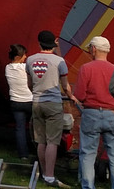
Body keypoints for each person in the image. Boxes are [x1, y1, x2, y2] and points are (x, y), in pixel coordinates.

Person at [27, 30, 77, 188]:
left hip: (36, 102)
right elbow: (65, 86)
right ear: (55, 42)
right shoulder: (59, 61)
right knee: (52, 142)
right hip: (53, 103)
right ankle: (49, 176)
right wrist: (72, 96)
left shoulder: (30, 60)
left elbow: (29, 84)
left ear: (39, 43)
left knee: (40, 141)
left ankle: (43, 173)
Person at [74, 36, 114, 189]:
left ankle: (88, 186)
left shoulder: (86, 68)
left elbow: (80, 95)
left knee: (88, 154)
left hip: (91, 113)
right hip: (113, 114)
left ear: (93, 49)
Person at [6, 43, 34, 160]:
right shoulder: (25, 67)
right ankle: (38, 150)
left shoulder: (7, 68)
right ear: (18, 57)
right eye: (24, 55)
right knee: (37, 127)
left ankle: (23, 154)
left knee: (20, 128)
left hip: (16, 102)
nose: (26, 57)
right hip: (30, 101)